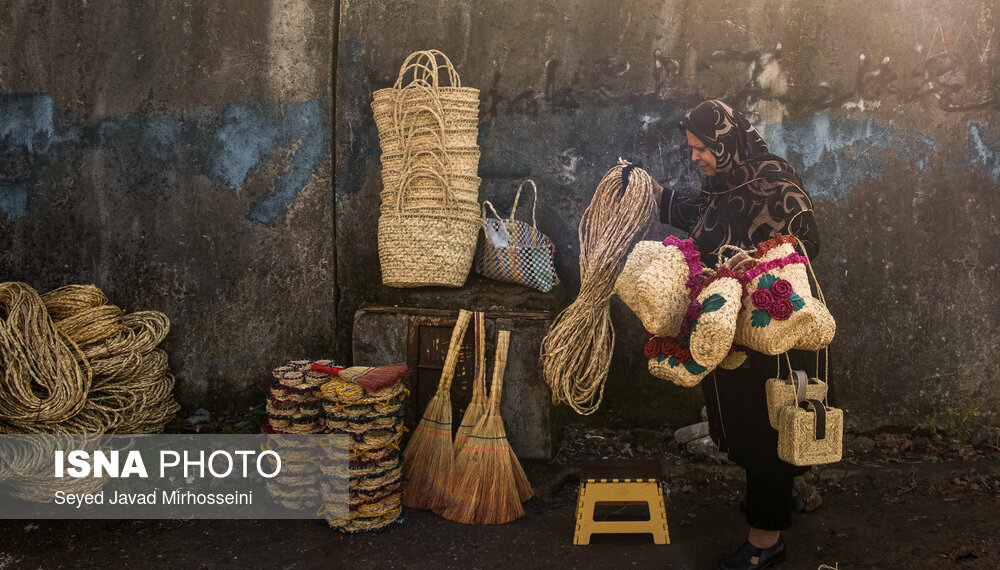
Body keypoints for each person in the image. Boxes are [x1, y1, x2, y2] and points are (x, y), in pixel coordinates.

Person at [650, 100, 830, 570]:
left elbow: (804, 243)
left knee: (765, 431)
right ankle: (775, 495)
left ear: (725, 141)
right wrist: (653, 193)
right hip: (734, 331)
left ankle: (765, 542)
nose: (694, 158)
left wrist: (750, 268)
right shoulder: (723, 184)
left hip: (772, 335)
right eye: (691, 149)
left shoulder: (774, 180)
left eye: (700, 148)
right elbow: (704, 216)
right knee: (748, 428)